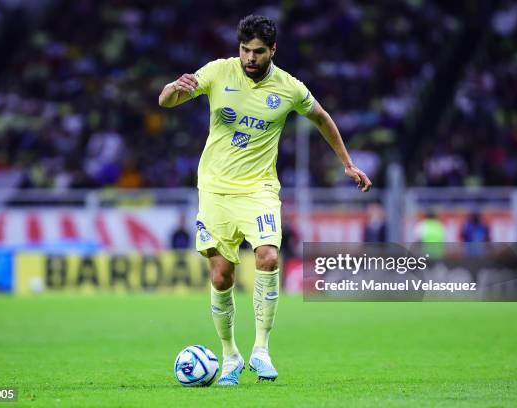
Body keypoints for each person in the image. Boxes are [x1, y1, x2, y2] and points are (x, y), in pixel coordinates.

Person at [158, 15, 371, 385]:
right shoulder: (218, 71)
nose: (250, 58)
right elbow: (166, 101)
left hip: (259, 189)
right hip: (214, 189)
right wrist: (174, 87)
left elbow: (321, 118)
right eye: (244, 50)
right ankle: (230, 357)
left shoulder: (289, 88)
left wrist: (348, 164)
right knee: (222, 276)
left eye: (258, 51)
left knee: (268, 256)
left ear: (273, 50)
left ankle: (261, 349)